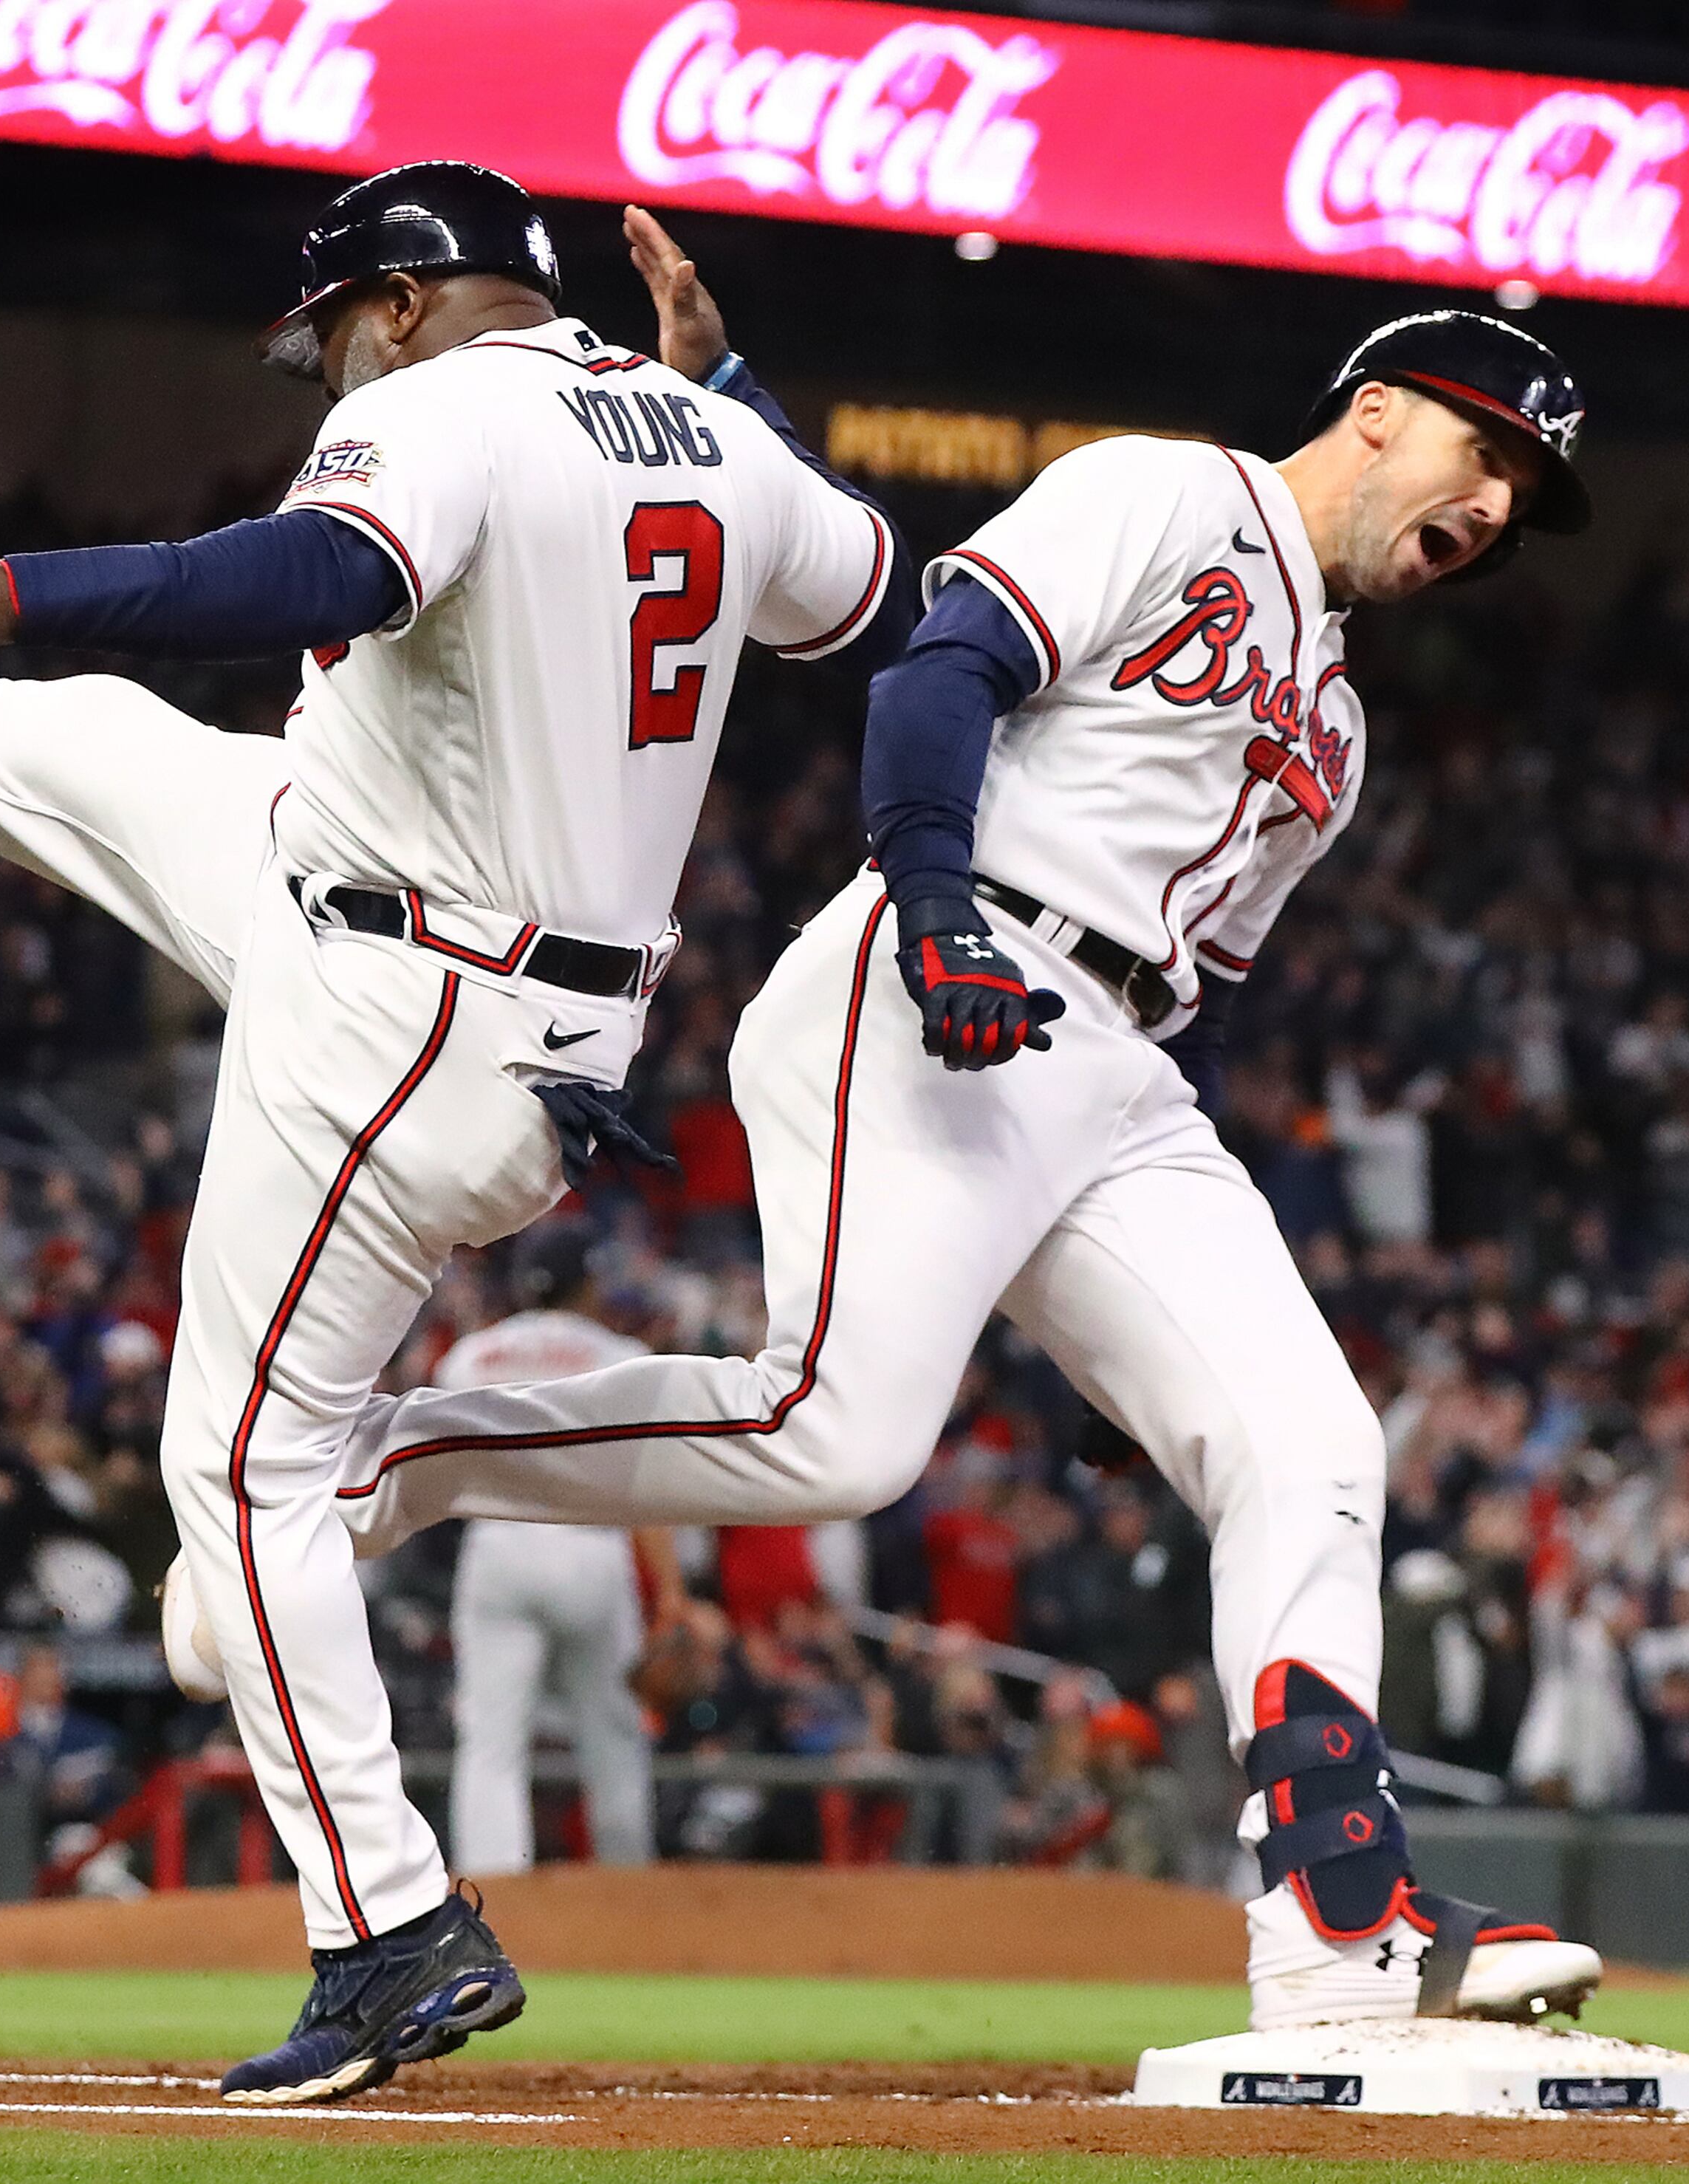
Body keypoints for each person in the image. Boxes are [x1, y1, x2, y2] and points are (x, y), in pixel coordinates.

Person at [0, 165, 911, 2103]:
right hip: (419, 920)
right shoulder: (724, 444)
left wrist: (27, 580)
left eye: (335, 328)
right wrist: (726, 377)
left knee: (235, 1460)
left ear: (406, 303)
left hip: (412, 1002)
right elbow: (870, 590)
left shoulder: (436, 403)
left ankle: (389, 1929)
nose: (324, 365)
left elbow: (326, 575)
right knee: (36, 741)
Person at [323, 310, 1611, 2030]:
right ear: (1376, 414)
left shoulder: (1339, 725)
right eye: (1490, 455)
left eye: (1525, 490)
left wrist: (1132, 1345)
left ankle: (1334, 1913)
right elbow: (946, 665)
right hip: (949, 972)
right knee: (830, 1442)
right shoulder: (1167, 493)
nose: (1497, 506)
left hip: (1126, 1075)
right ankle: (398, 1456)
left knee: (1304, 1443)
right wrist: (930, 900)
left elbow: (1205, 994)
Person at [434, 1223, 682, 1877]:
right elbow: (645, 1484)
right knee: (613, 1737)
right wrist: (675, 1592)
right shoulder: (624, 1353)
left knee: (491, 1743)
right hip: (591, 1550)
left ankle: (493, 1890)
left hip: (499, 1545)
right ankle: (628, 1886)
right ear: (587, 1281)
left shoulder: (470, 1356)